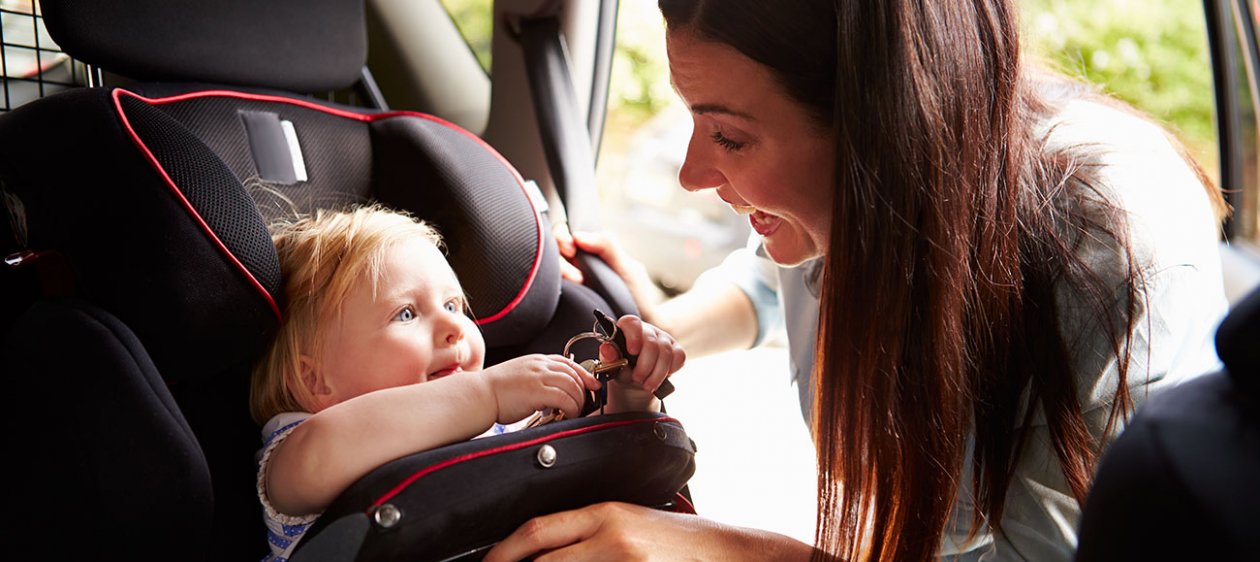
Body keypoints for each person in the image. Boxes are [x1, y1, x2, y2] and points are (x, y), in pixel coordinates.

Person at [487, 1, 1230, 561]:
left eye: (730, 136)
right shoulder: (850, 207)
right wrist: (659, 328)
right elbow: (774, 281)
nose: (691, 174)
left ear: (880, 132)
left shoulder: (1110, 259)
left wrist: (721, 549)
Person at [248, 205, 685, 561]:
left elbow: (580, 482)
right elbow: (321, 456)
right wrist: (488, 393)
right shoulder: (299, 449)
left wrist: (629, 396)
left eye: (454, 305)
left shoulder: (498, 432)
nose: (453, 327)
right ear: (315, 380)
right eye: (406, 314)